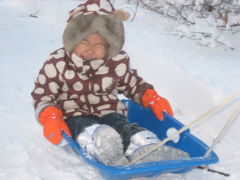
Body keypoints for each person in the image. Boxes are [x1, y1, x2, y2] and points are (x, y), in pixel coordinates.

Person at [31, 0, 188, 166]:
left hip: (108, 110)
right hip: (73, 113)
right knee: (83, 125)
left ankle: (143, 145)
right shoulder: (58, 61)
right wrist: (50, 115)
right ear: (72, 39)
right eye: (84, 41)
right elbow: (43, 93)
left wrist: (149, 96)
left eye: (99, 44)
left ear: (110, 46)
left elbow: (131, 83)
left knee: (121, 124)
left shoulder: (117, 61)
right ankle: (99, 143)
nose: (90, 49)